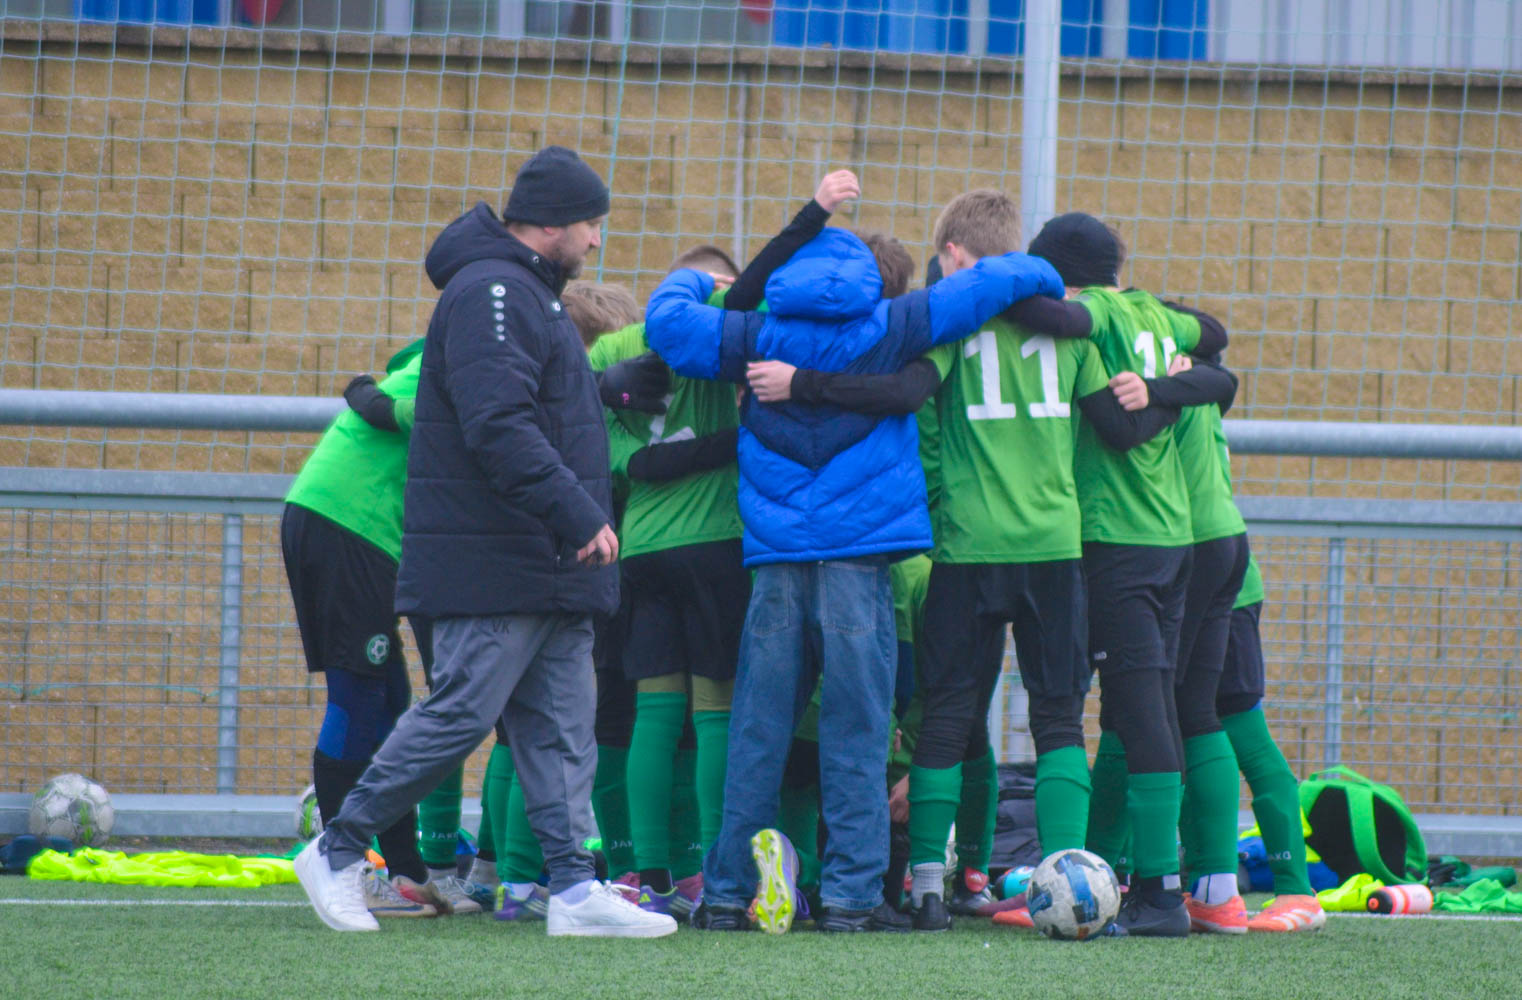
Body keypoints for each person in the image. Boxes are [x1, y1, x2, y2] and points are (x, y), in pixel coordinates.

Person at [643, 173, 1066, 933]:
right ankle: (851, 896)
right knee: (858, 728)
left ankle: (729, 893)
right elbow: (996, 279)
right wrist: (1047, 274)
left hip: (776, 562)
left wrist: (699, 281)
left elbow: (667, 322)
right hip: (860, 561)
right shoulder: (895, 324)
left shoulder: (752, 336)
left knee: (757, 730)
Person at [293, 145, 676, 938]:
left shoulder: (530, 295)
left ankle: (573, 889)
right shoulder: (491, 292)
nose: (596, 240)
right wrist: (579, 513)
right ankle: (337, 850)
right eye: (590, 224)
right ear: (552, 224)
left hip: (550, 568)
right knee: (460, 714)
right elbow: (497, 424)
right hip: (498, 560)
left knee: (561, 728)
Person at [1015, 212, 1226, 937]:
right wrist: (1168, 387)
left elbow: (1054, 315)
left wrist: (997, 285)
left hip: (1118, 541)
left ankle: (1161, 895)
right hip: (1171, 539)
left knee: (1139, 711)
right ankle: (1149, 880)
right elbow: (1216, 334)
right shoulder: (1154, 313)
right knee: (1151, 705)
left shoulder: (1099, 312)